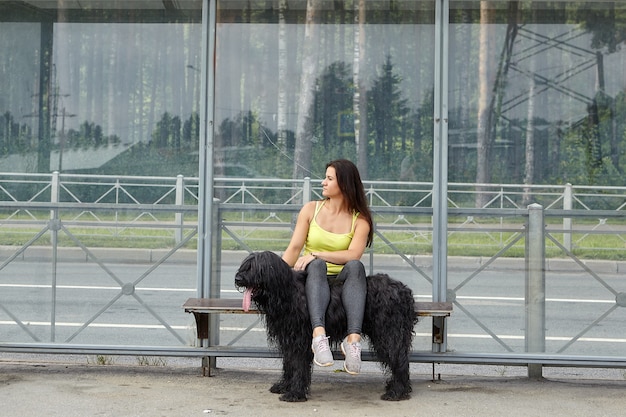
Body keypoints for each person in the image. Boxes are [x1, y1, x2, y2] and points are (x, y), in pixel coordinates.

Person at [282, 159, 373, 375]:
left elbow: (353, 254)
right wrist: (278, 276)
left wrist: (317, 252)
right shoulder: (310, 209)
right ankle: (319, 336)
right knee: (317, 265)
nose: (323, 182)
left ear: (344, 184)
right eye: (325, 177)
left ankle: (352, 342)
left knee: (356, 266)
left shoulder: (360, 220)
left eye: (329, 179)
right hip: (311, 277)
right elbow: (294, 248)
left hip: (341, 279)